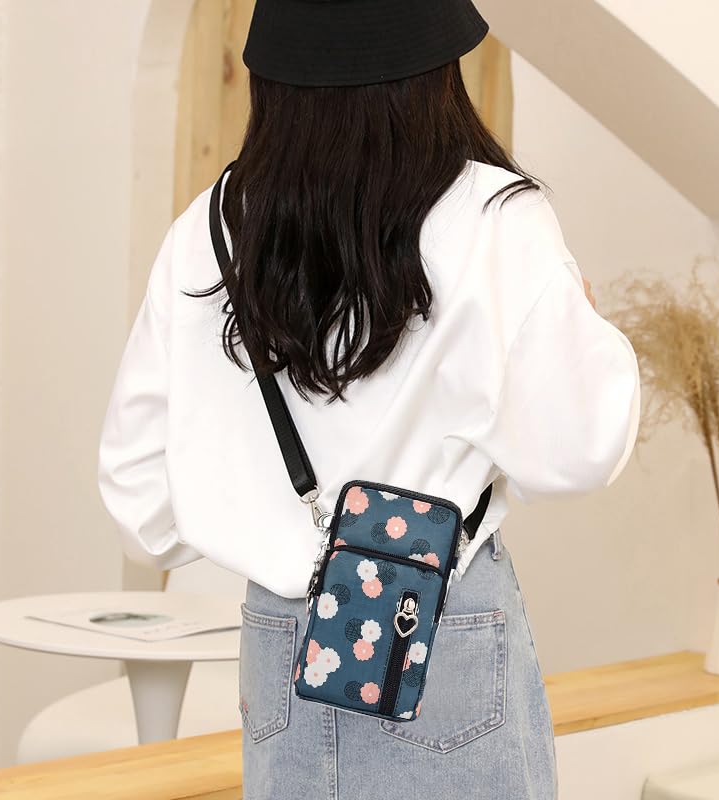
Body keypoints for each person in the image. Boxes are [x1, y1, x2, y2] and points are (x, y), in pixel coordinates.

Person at [97, 1, 640, 797]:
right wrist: (589, 327)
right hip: (438, 619)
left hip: (279, 640)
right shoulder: (496, 217)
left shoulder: (210, 229)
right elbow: (580, 450)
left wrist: (262, 518)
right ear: (436, 73)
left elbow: (139, 499)